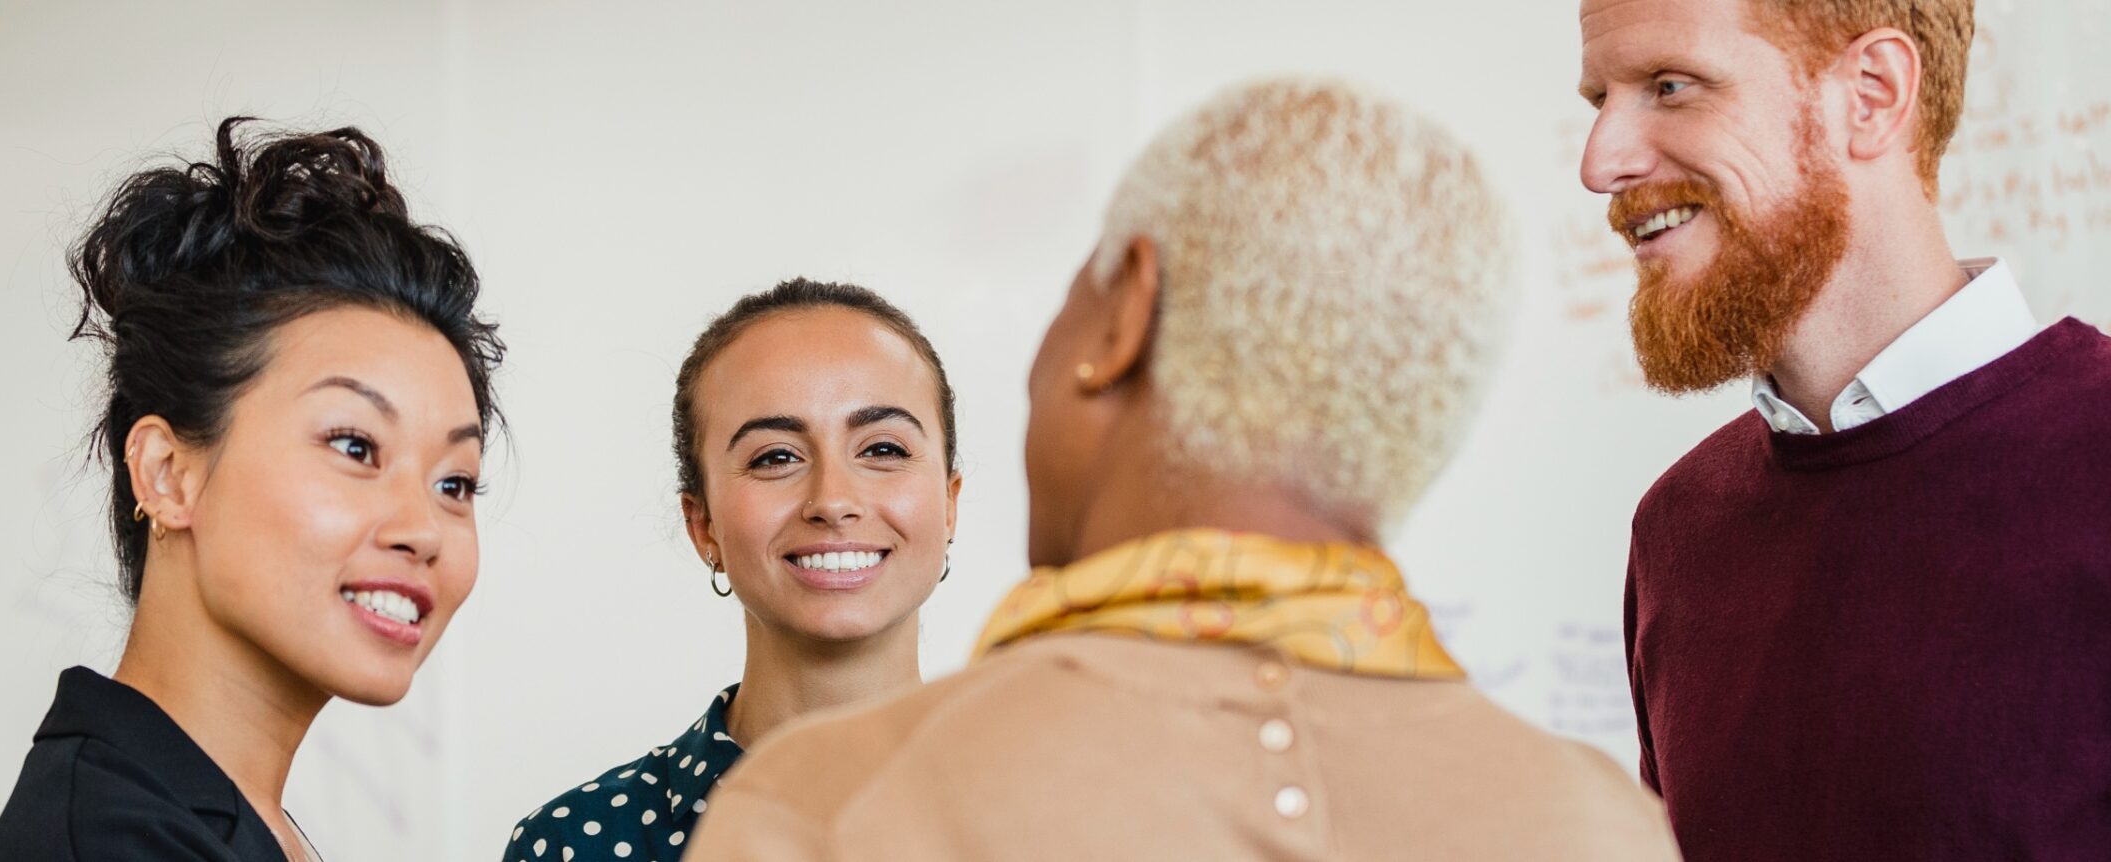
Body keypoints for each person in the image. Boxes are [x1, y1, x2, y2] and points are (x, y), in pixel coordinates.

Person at [682, 78, 1680, 861]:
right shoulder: (1599, 826)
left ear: (1124, 319)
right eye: (774, 453)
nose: (834, 495)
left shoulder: (829, 807)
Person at [1579, 0, 2111, 856]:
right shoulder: (1677, 529)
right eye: (1598, 99)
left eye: (1670, 86)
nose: (1600, 162)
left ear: (1872, 95)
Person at [0, 118, 506, 861]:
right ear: (168, 474)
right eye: (355, 446)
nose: (422, 529)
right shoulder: (109, 840)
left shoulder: (235, 821)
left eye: (455, 482)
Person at [503, 279, 961, 861]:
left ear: (949, 503)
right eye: (776, 457)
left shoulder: (1064, 809)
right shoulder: (571, 845)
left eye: (883, 449)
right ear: (704, 526)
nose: (833, 499)